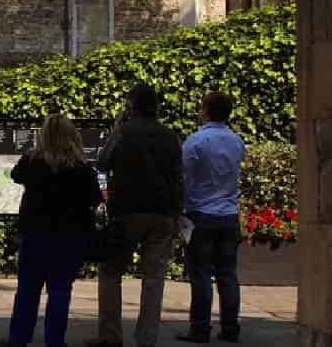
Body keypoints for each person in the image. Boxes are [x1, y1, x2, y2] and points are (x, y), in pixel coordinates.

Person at [89, 83, 183, 347]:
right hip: (163, 213)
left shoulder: (123, 132)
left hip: (127, 211)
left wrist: (117, 127)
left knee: (110, 270)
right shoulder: (170, 136)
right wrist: (177, 214)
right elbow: (178, 177)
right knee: (154, 278)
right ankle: (147, 338)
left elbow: (102, 163)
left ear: (131, 106)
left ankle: (110, 334)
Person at [1, 114, 103, 347]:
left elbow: (15, 175)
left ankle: (18, 338)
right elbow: (94, 199)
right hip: (69, 236)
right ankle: (55, 341)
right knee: (60, 290)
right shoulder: (81, 168)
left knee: (27, 288)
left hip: (34, 233)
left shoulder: (32, 162)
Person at [177, 91, 246, 344]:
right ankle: (230, 329)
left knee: (201, 274)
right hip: (229, 214)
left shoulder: (196, 141)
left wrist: (180, 210)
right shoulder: (236, 141)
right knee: (228, 274)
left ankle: (200, 329)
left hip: (201, 214)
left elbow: (183, 177)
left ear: (205, 109)